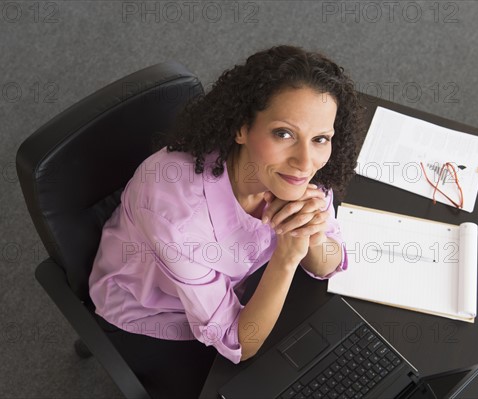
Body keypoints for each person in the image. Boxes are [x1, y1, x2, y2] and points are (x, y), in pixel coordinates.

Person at [88, 45, 362, 398]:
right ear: (242, 128)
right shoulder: (178, 216)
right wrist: (286, 256)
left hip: (242, 284)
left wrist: (311, 233)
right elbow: (240, 343)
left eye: (320, 139)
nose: (305, 162)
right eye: (283, 134)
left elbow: (329, 264)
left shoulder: (299, 174)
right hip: (157, 312)